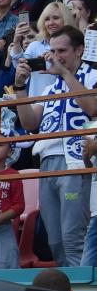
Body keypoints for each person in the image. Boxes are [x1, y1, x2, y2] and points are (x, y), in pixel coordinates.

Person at [14, 25, 97, 266]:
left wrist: (64, 73)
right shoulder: (52, 86)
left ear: (79, 50)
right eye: (52, 50)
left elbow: (93, 108)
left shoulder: (92, 76)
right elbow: (29, 122)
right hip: (47, 163)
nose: (55, 56)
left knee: (73, 237)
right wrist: (20, 88)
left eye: (62, 50)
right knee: (55, 242)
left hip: (76, 161)